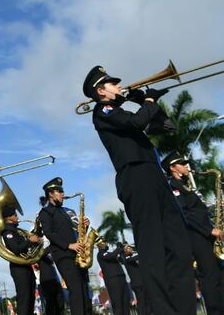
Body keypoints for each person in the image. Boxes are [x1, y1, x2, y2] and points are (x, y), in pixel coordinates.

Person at [83, 65, 196, 314]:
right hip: (135, 176)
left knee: (180, 247)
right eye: (113, 83)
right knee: (152, 248)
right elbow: (136, 121)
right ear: (101, 90)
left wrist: (145, 103)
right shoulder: (103, 111)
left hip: (154, 175)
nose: (119, 86)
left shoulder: (119, 111)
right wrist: (147, 100)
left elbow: (166, 127)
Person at [162, 152, 224, 315]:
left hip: (205, 235)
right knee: (209, 276)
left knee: (217, 273)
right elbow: (185, 215)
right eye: (181, 163)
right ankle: (215, 311)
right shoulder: (173, 186)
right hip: (196, 236)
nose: (186, 166)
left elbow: (198, 211)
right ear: (173, 168)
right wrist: (209, 230)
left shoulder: (185, 185)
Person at [37, 178, 88, 315]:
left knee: (83, 289)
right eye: (59, 191)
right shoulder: (45, 212)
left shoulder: (66, 211)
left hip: (77, 253)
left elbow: (75, 232)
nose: (62, 194)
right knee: (75, 288)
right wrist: (69, 245)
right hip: (63, 254)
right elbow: (49, 233)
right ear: (50, 194)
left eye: (62, 191)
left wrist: (84, 227)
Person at [0, 205, 41, 315]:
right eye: (15, 215)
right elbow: (16, 248)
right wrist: (29, 241)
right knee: (24, 299)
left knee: (31, 298)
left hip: (26, 267)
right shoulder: (8, 232)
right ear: (9, 218)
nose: (17, 217)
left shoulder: (17, 231)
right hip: (18, 268)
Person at [95, 241, 130, 315]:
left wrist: (122, 251)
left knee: (125, 302)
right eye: (104, 242)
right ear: (100, 245)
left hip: (121, 278)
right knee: (118, 304)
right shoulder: (101, 254)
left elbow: (123, 261)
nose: (106, 244)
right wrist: (119, 248)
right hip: (113, 280)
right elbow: (111, 255)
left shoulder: (111, 254)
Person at [122, 244, 149, 315]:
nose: (130, 249)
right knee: (141, 302)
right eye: (128, 248)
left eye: (130, 248)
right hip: (137, 284)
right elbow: (136, 257)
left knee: (145, 300)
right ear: (125, 251)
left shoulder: (131, 258)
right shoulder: (126, 258)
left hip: (141, 282)